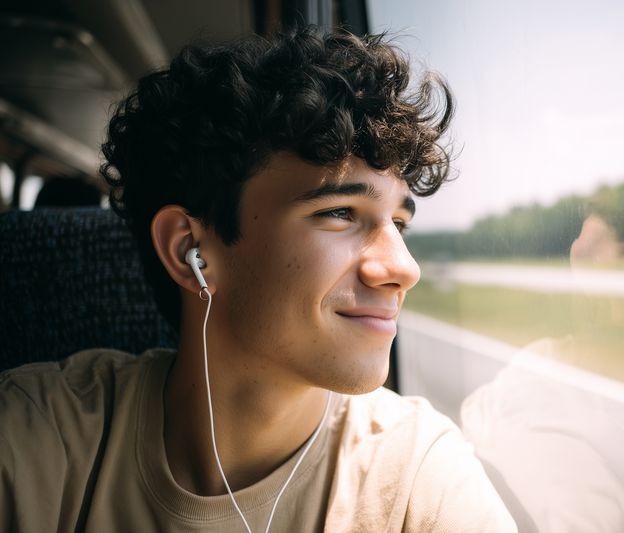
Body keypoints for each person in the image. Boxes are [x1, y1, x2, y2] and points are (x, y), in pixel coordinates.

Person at [0, 27, 517, 532]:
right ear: (189, 250)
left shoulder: (418, 477)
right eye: (339, 212)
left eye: (398, 224)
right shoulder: (37, 435)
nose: (404, 268)